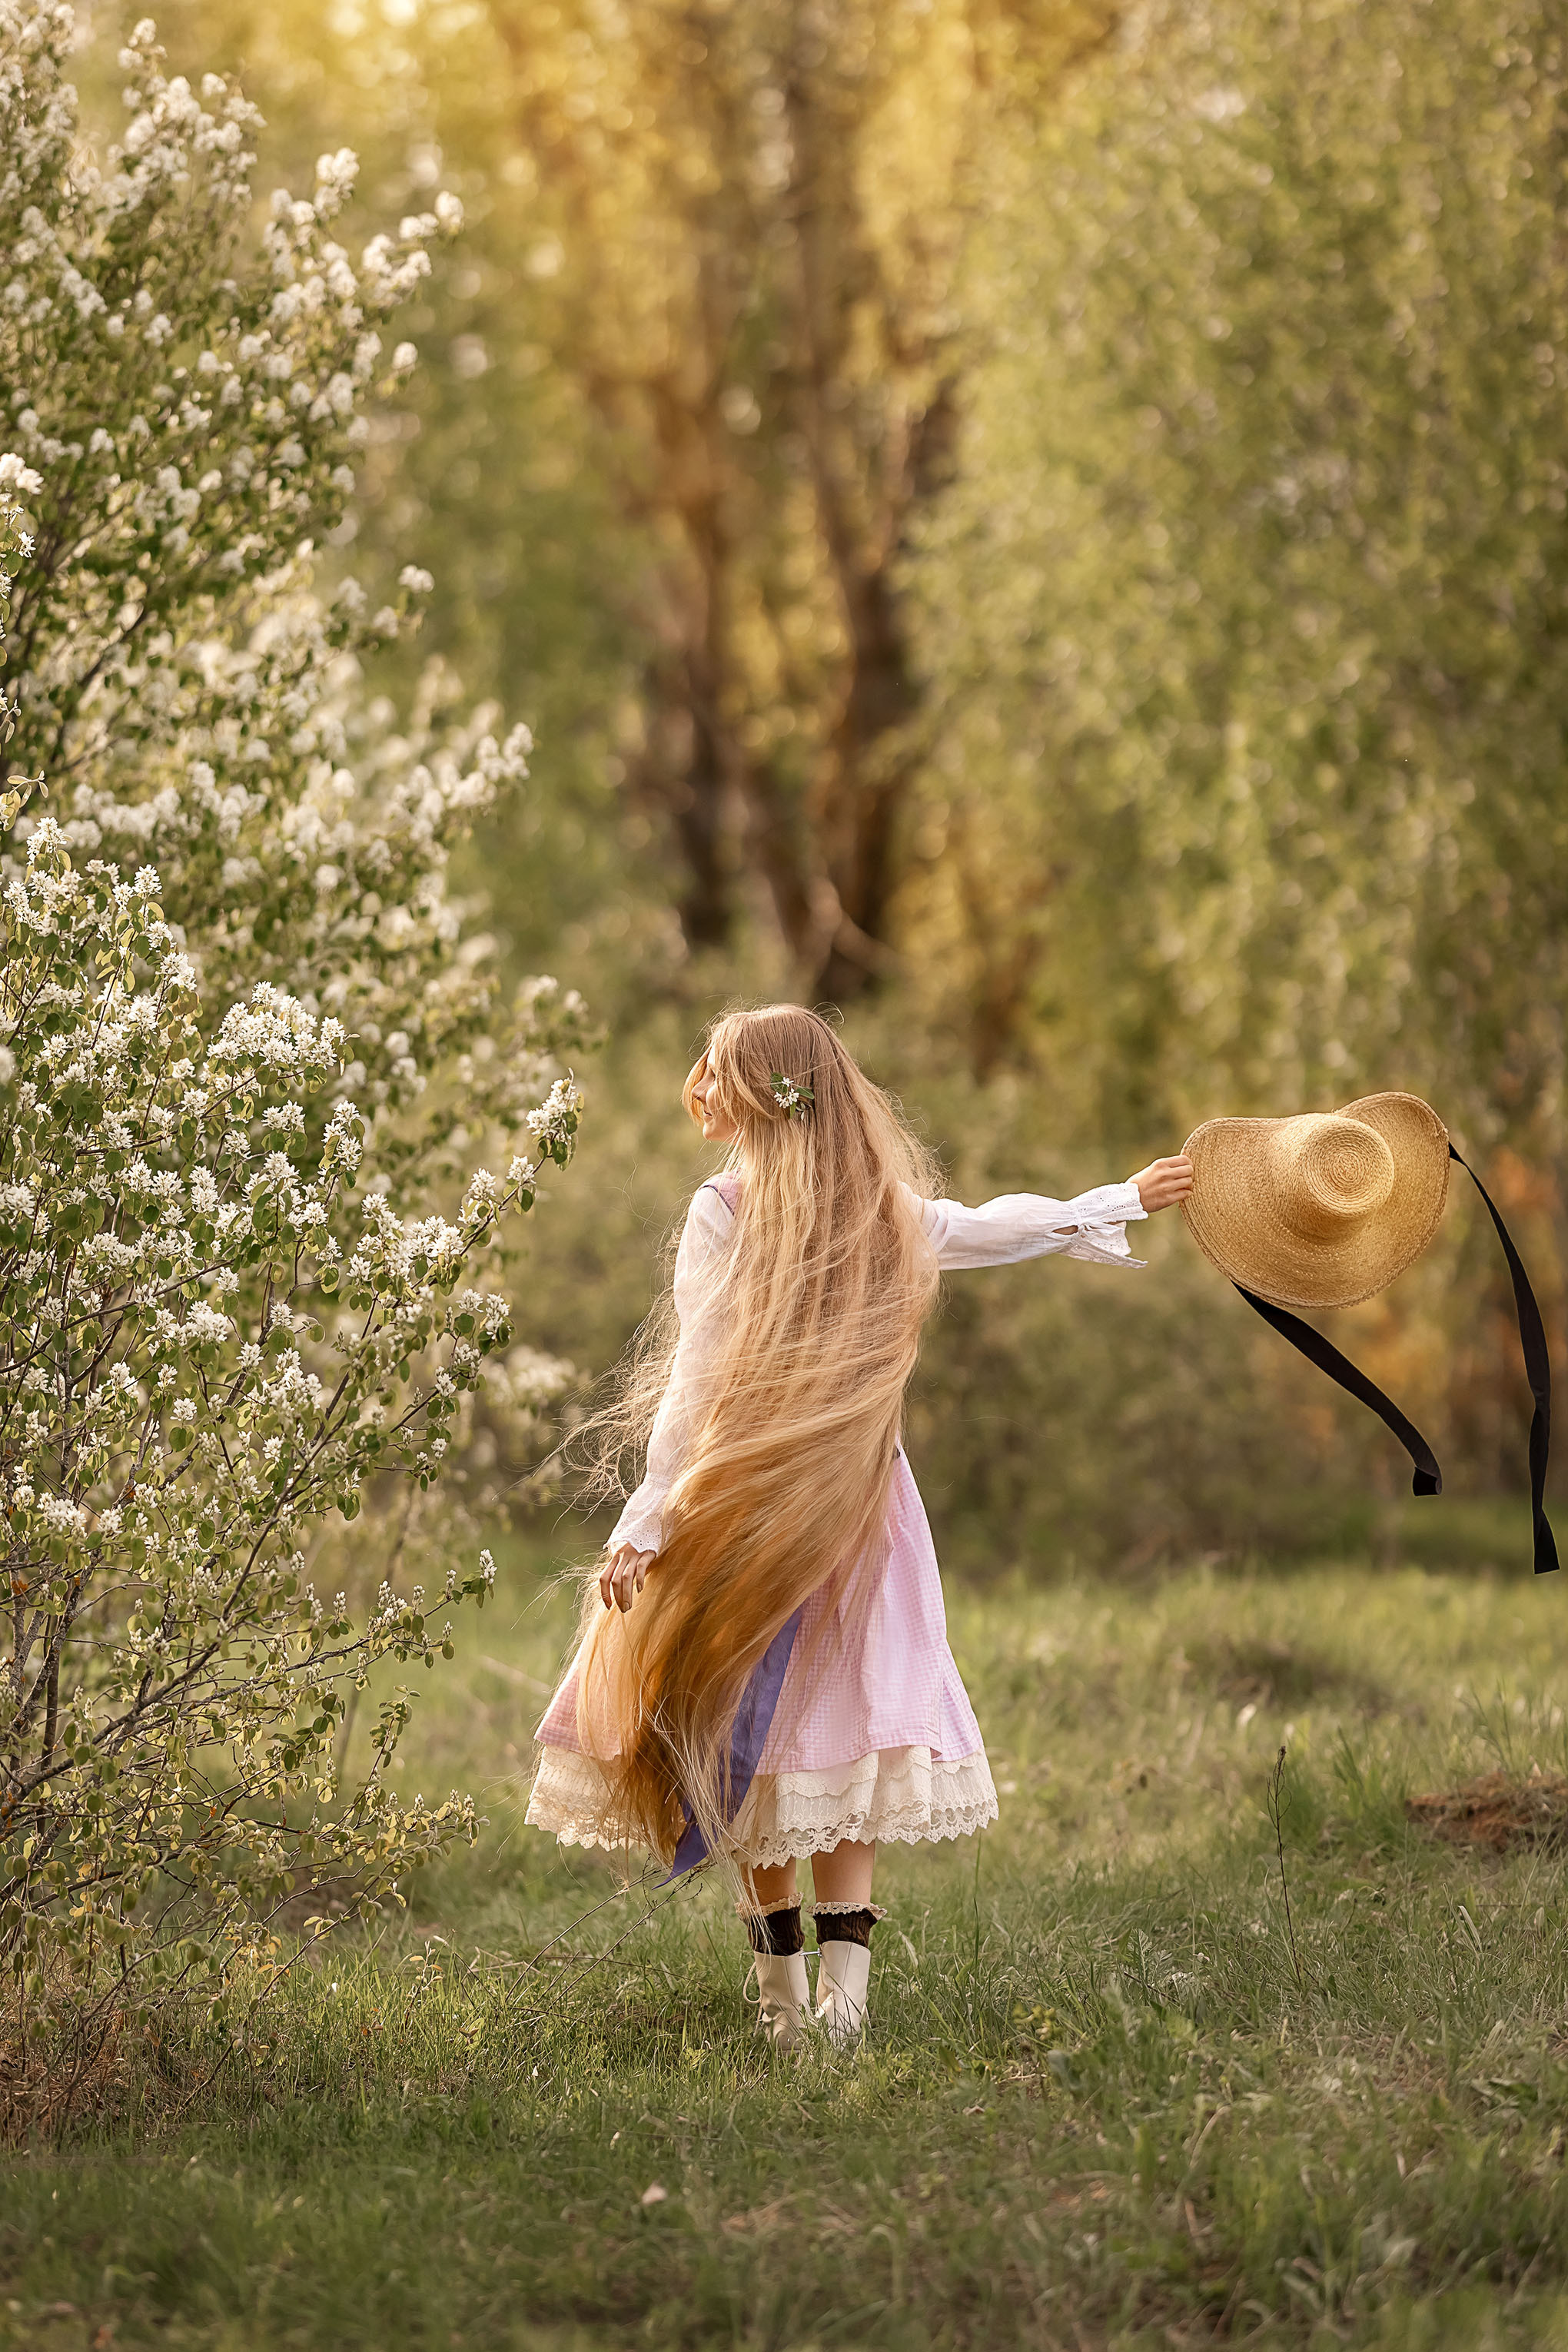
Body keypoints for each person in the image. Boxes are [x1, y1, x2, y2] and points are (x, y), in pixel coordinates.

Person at [526, 1005, 1193, 2048]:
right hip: (803, 1510)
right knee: (792, 1740)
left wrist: (1122, 1200)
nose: (697, 1082)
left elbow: (702, 1380)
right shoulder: (804, 1210)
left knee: (796, 1741)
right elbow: (982, 1228)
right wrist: (650, 1519)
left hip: (800, 1509)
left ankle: (809, 2011)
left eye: (717, 1069)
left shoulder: (780, 1210)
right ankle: (809, 2010)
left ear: (754, 1094)